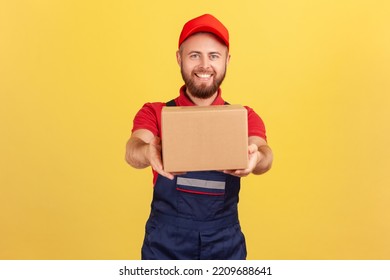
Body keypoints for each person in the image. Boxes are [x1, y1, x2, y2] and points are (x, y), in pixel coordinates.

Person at [125, 14, 273, 260]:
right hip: (165, 245)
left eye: (213, 56)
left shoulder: (243, 117)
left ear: (227, 60)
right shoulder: (155, 112)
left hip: (225, 245)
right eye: (194, 55)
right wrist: (147, 151)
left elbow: (265, 153)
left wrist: (256, 158)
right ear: (179, 58)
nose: (204, 65)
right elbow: (133, 149)